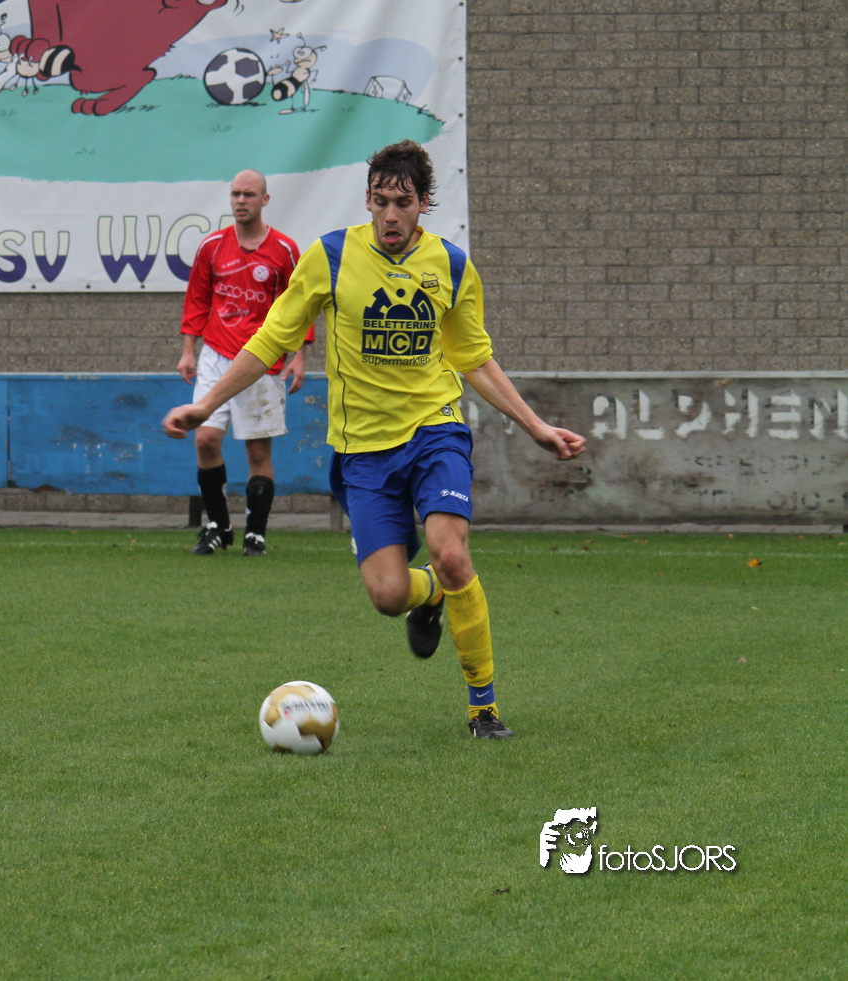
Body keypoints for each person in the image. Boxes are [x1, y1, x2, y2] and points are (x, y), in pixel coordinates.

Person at [163, 140, 587, 739]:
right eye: (381, 201)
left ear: (424, 205)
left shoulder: (452, 266)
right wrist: (207, 403)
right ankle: (430, 594)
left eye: (403, 203)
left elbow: (474, 357)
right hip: (362, 449)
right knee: (389, 596)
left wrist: (536, 425)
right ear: (367, 199)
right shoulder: (331, 256)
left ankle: (483, 708)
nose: (391, 215)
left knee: (451, 553)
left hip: (435, 431)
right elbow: (271, 338)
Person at [177, 169, 310, 557]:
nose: (240, 200)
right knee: (205, 439)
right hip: (216, 354)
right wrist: (188, 349)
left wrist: (300, 356)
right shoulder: (212, 246)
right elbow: (198, 298)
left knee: (257, 452)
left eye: (249, 194)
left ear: (264, 200)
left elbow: (300, 306)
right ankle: (218, 527)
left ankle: (256, 533)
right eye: (235, 194)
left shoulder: (284, 249)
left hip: (262, 360)